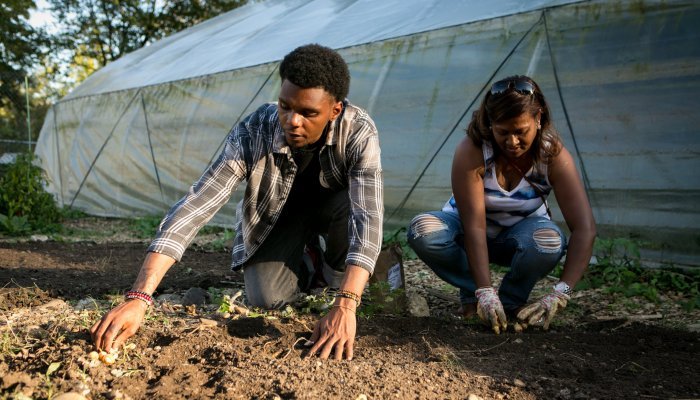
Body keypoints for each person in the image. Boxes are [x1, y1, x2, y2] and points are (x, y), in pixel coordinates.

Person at [91, 44, 383, 360]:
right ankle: (309, 259)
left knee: (351, 220)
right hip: (279, 218)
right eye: (285, 106)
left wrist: (345, 304)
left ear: (335, 110)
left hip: (337, 212)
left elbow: (368, 217)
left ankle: (336, 273)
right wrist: (139, 296)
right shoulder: (255, 130)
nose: (292, 121)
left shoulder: (358, 132)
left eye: (308, 113)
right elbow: (198, 203)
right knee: (266, 299)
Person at [406, 75, 595, 334]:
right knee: (423, 229)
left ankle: (510, 302)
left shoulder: (551, 155)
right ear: (490, 123)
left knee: (549, 241)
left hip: (519, 237)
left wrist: (560, 293)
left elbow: (584, 228)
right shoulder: (473, 150)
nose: (512, 142)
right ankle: (477, 297)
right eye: (503, 132)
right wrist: (483, 289)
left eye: (521, 131)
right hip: (468, 232)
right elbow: (474, 227)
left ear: (538, 118)